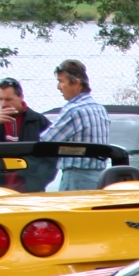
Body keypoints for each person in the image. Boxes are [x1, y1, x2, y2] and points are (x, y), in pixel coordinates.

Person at [40, 58, 111, 191]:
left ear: (76, 83)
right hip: (100, 177)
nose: (58, 87)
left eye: (61, 81)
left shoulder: (73, 110)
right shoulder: (100, 109)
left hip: (76, 178)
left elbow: (46, 141)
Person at [0, 78, 50, 190]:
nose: (3, 104)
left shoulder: (37, 121)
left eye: (8, 99)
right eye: (0, 99)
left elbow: (52, 156)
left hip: (29, 188)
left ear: (20, 97)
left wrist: (39, 180)